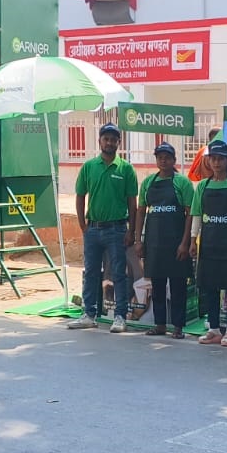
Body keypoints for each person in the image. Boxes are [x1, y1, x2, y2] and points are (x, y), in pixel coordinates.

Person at [68, 122, 139, 333]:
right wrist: (82, 225)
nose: (109, 142)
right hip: (93, 229)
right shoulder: (89, 167)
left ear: (119, 142)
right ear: (99, 141)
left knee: (118, 273)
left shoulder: (126, 168)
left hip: (117, 229)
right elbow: (80, 196)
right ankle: (89, 314)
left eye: (113, 139)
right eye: (105, 138)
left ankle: (120, 316)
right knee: (90, 272)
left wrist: (131, 231)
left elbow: (132, 203)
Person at [187, 139, 227, 346]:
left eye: (220, 158)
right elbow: (196, 215)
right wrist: (193, 241)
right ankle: (213, 329)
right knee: (209, 287)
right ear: (208, 161)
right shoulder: (202, 186)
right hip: (209, 244)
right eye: (213, 158)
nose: (217, 162)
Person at [132, 142, 195, 337]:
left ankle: (178, 327)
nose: (163, 160)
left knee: (177, 287)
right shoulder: (149, 182)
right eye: (160, 157)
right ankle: (159, 325)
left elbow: (191, 214)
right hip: (154, 243)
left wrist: (185, 242)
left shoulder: (182, 183)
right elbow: (141, 212)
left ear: (174, 160)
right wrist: (139, 240)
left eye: (167, 157)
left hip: (176, 243)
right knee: (157, 286)